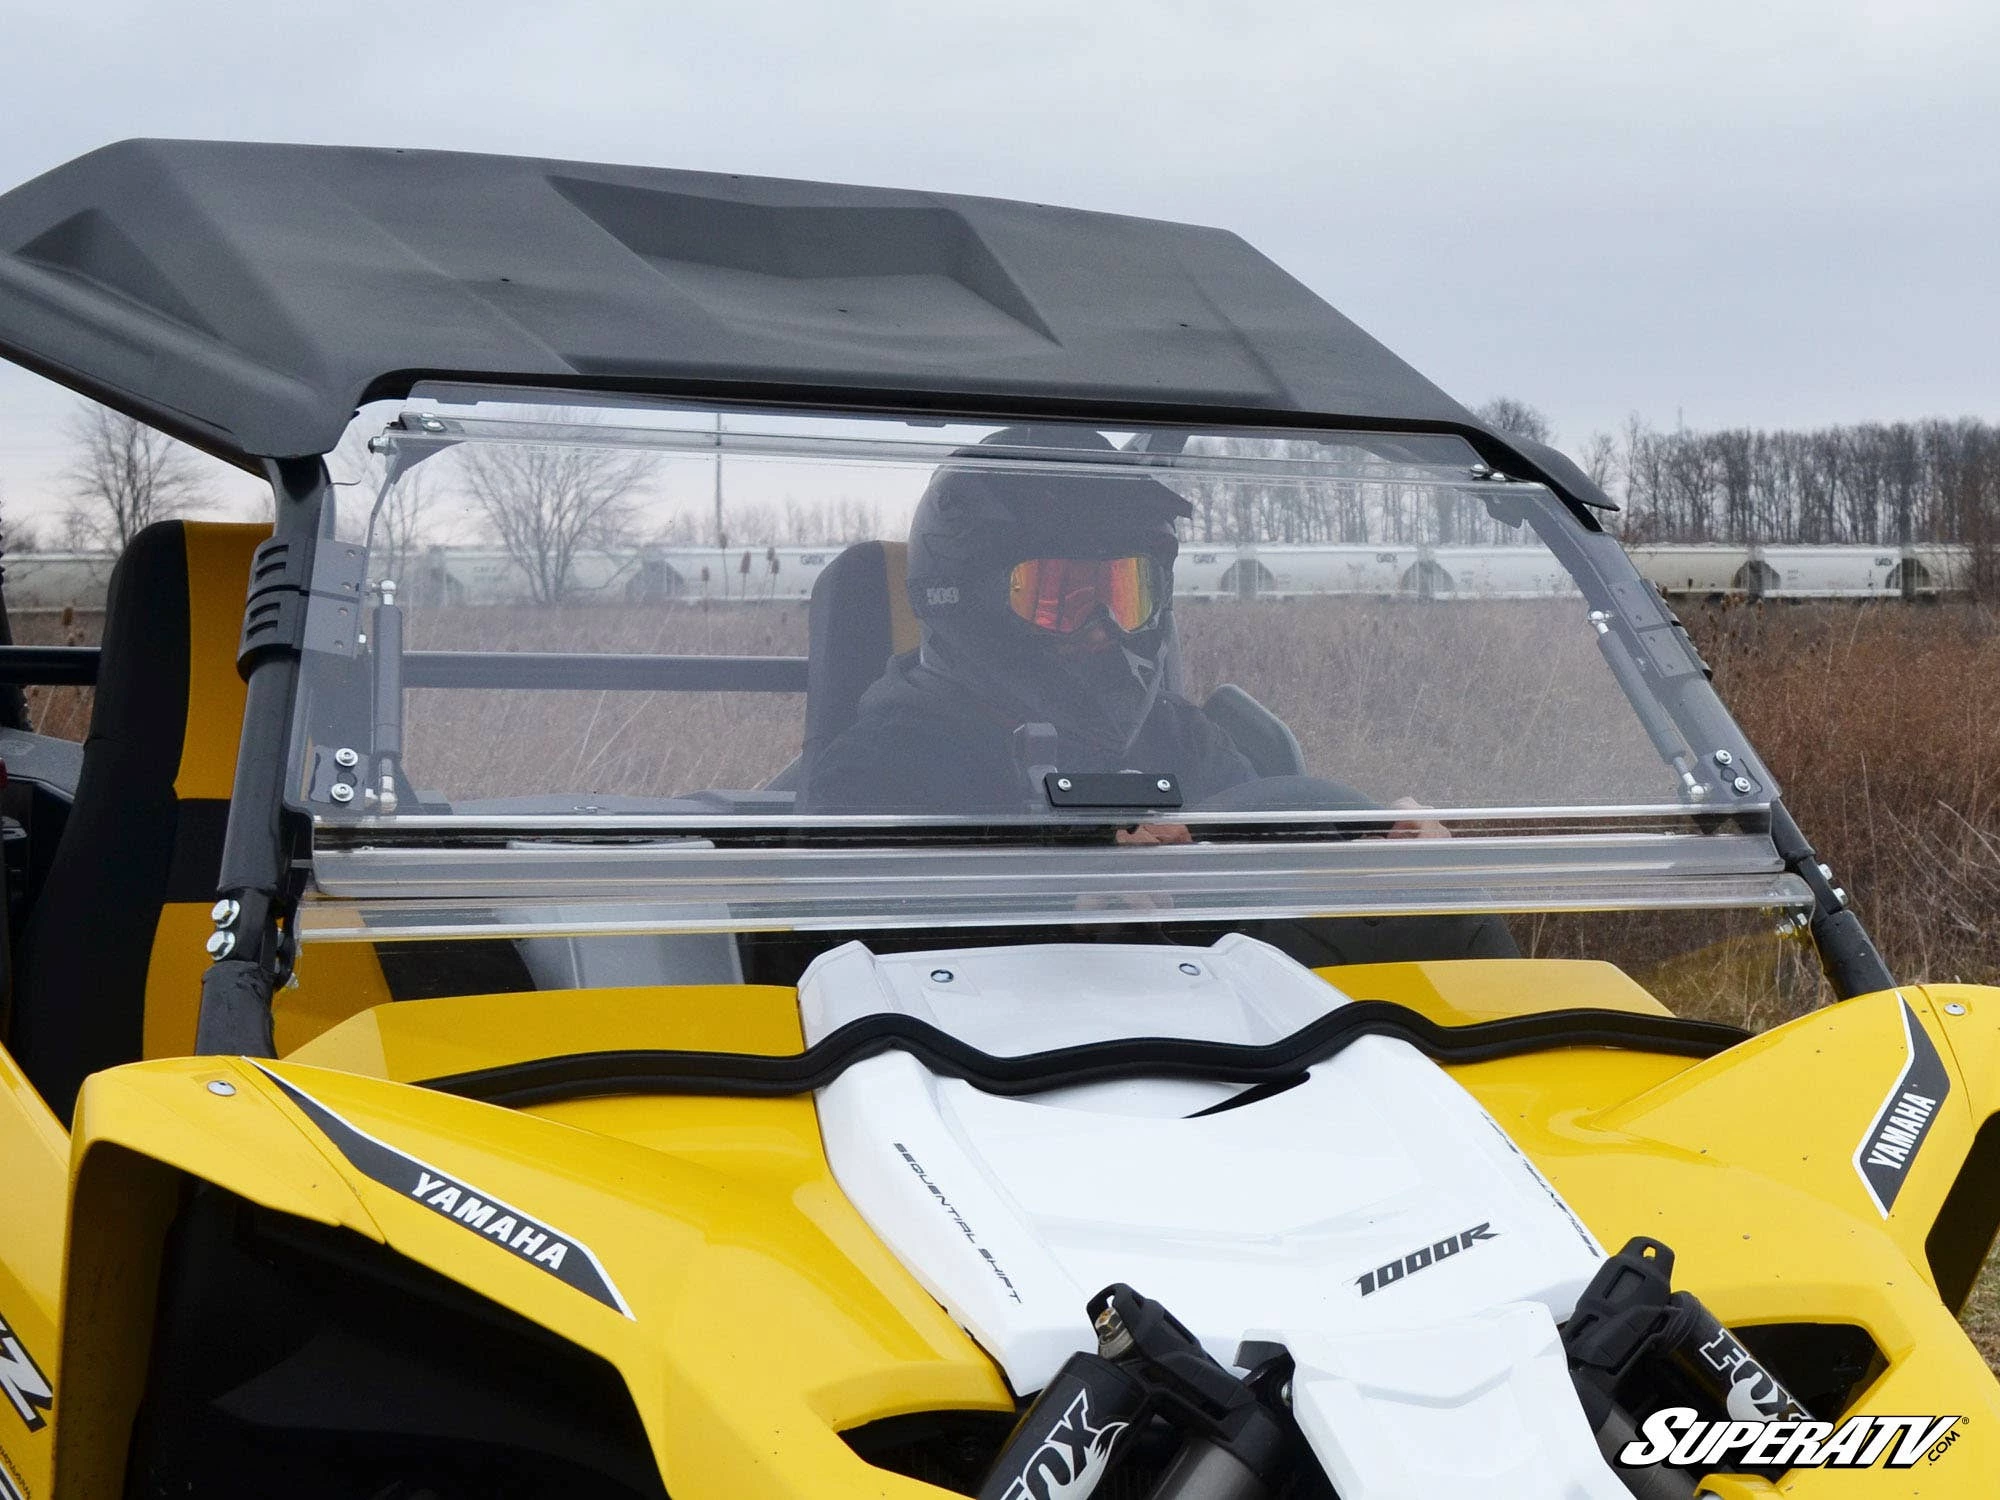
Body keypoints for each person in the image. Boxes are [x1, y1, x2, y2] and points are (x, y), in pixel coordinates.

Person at [804, 428, 1260, 818]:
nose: (1101, 628)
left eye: (1126, 595)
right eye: (1058, 597)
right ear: (967, 603)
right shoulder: (881, 771)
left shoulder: (1182, 740)